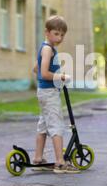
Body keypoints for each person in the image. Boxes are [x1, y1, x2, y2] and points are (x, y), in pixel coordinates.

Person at [32, 15, 80, 174]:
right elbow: (44, 73)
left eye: (62, 35)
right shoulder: (48, 49)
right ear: (47, 32)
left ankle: (38, 158)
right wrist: (60, 76)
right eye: (56, 33)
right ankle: (60, 162)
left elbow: (36, 68)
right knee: (56, 125)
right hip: (49, 92)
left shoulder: (46, 48)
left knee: (44, 125)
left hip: (44, 92)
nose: (59, 38)